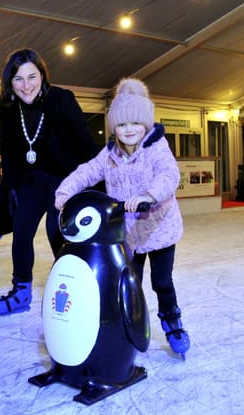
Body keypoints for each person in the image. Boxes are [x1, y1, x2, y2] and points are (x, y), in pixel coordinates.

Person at [54, 78, 190, 358]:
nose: (128, 130)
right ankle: (130, 327)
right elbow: (86, 172)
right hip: (129, 234)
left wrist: (149, 195)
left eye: (135, 123)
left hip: (159, 228)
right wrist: (66, 191)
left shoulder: (157, 147)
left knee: (162, 282)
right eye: (122, 124)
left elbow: (169, 174)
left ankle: (173, 324)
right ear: (114, 127)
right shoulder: (109, 154)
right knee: (130, 283)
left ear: (146, 124)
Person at [0, 48, 100, 316]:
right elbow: (9, 149)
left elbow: (84, 142)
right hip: (31, 178)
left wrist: (98, 179)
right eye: (18, 79)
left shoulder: (61, 99)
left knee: (55, 231)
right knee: (21, 231)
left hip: (63, 177)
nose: (26, 86)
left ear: (43, 75)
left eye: (32, 76)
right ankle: (21, 291)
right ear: (9, 82)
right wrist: (12, 185)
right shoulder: (7, 104)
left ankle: (74, 290)